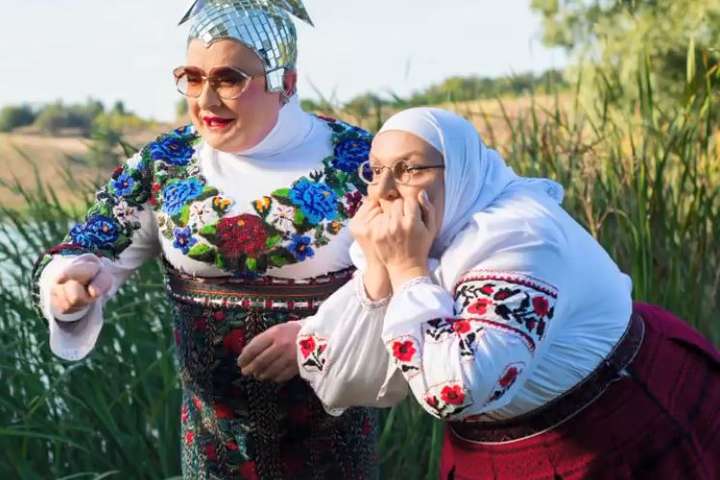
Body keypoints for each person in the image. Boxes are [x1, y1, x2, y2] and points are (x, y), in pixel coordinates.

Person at [32, 1, 378, 478]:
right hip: (213, 456)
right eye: (192, 78)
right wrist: (69, 283)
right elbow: (88, 245)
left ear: (287, 83)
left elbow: (411, 281)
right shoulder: (166, 163)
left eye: (229, 79)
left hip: (333, 456)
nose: (205, 101)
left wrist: (321, 338)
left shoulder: (359, 162)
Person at [294, 107, 720, 479]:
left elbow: (453, 391)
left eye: (410, 169)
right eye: (376, 170)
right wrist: (379, 273)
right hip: (494, 446)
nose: (386, 191)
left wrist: (406, 270)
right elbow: (338, 379)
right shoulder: (422, 237)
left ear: (460, 173)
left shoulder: (519, 238)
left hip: (614, 424)